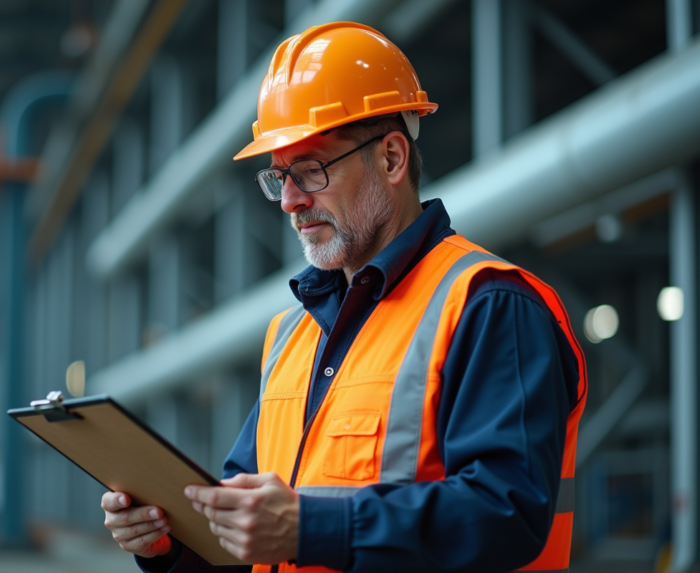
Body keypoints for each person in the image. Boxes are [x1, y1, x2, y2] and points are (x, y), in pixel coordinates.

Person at [102, 22, 587, 573]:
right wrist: (171, 543)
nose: (289, 201)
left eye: (310, 170)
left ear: (391, 159)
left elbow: (507, 514)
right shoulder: (294, 335)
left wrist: (309, 529)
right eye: (279, 177)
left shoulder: (488, 304)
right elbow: (244, 532)